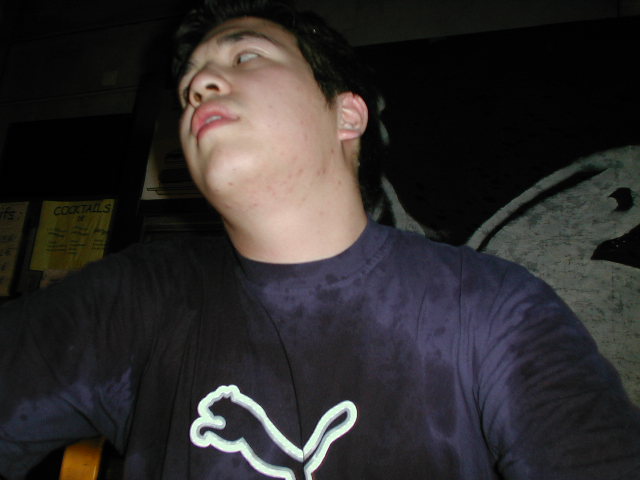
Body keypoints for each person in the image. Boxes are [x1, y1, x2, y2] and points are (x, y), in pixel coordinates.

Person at [1, 0, 639, 478]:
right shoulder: (131, 297)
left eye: (246, 57)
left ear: (347, 114)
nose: (198, 86)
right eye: (190, 81)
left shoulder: (492, 305)